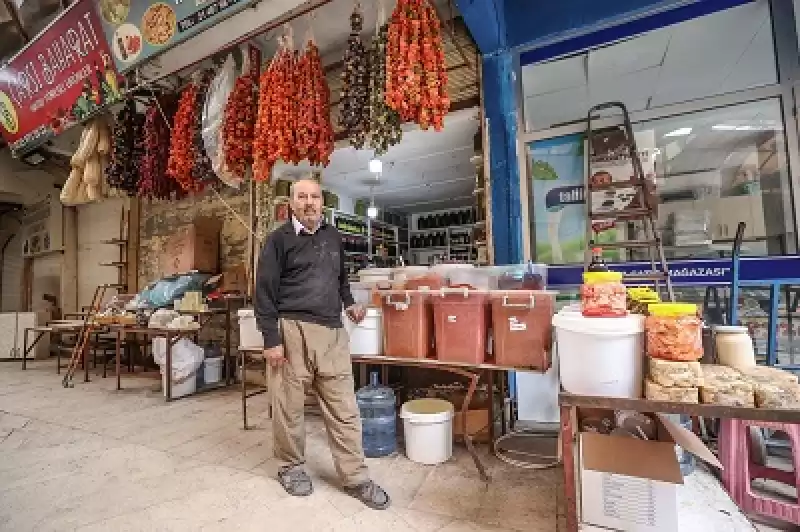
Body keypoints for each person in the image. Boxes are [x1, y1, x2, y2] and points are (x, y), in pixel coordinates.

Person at [255, 177, 391, 510]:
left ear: (322, 202)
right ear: (291, 203)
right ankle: (290, 466)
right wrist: (271, 340)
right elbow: (264, 294)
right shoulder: (278, 240)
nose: (309, 202)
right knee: (288, 407)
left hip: (332, 332)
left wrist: (349, 305)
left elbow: (341, 279)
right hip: (292, 330)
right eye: (302, 196)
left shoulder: (333, 236)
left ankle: (355, 476)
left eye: (314, 197)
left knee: (344, 409)